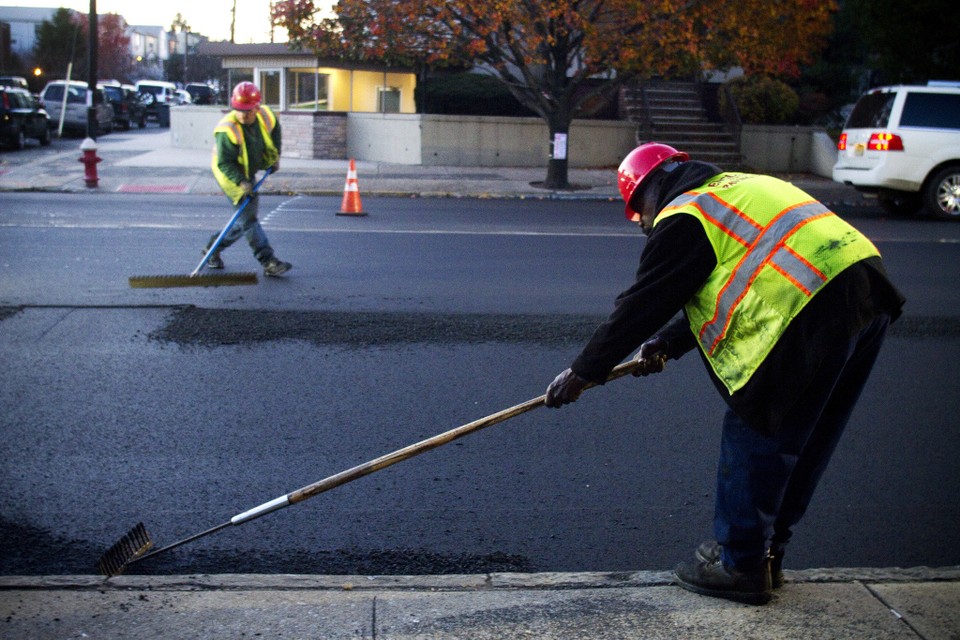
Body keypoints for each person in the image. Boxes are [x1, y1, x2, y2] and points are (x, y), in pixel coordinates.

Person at [544, 142, 905, 605]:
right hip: (865, 295)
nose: (643, 224)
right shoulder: (743, 187)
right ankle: (769, 554)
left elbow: (643, 302)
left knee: (757, 426)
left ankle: (740, 564)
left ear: (652, 190)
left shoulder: (686, 212)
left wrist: (583, 372)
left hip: (812, 306)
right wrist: (670, 343)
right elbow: (732, 277)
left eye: (639, 213)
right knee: (807, 436)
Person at [203, 81, 291, 277]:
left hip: (248, 169)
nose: (242, 115)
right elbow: (225, 164)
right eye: (238, 110)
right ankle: (268, 261)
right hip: (230, 175)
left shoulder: (266, 115)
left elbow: (276, 129)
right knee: (248, 219)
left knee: (243, 220)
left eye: (247, 111)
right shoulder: (227, 130)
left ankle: (212, 249)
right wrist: (242, 182)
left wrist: (276, 155)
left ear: (257, 108)